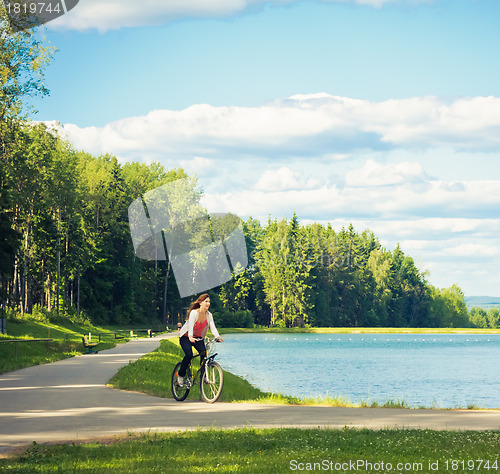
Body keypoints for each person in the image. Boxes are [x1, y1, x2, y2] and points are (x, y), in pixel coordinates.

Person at [177, 293, 223, 386]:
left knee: (204, 355)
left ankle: (204, 377)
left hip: (198, 338)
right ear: (200, 303)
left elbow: (212, 327)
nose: (208, 303)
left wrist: (217, 336)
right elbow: (190, 325)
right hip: (186, 337)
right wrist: (190, 336)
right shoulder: (194, 312)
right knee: (189, 354)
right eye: (206, 301)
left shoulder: (209, 315)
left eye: (209, 301)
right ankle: (181, 375)